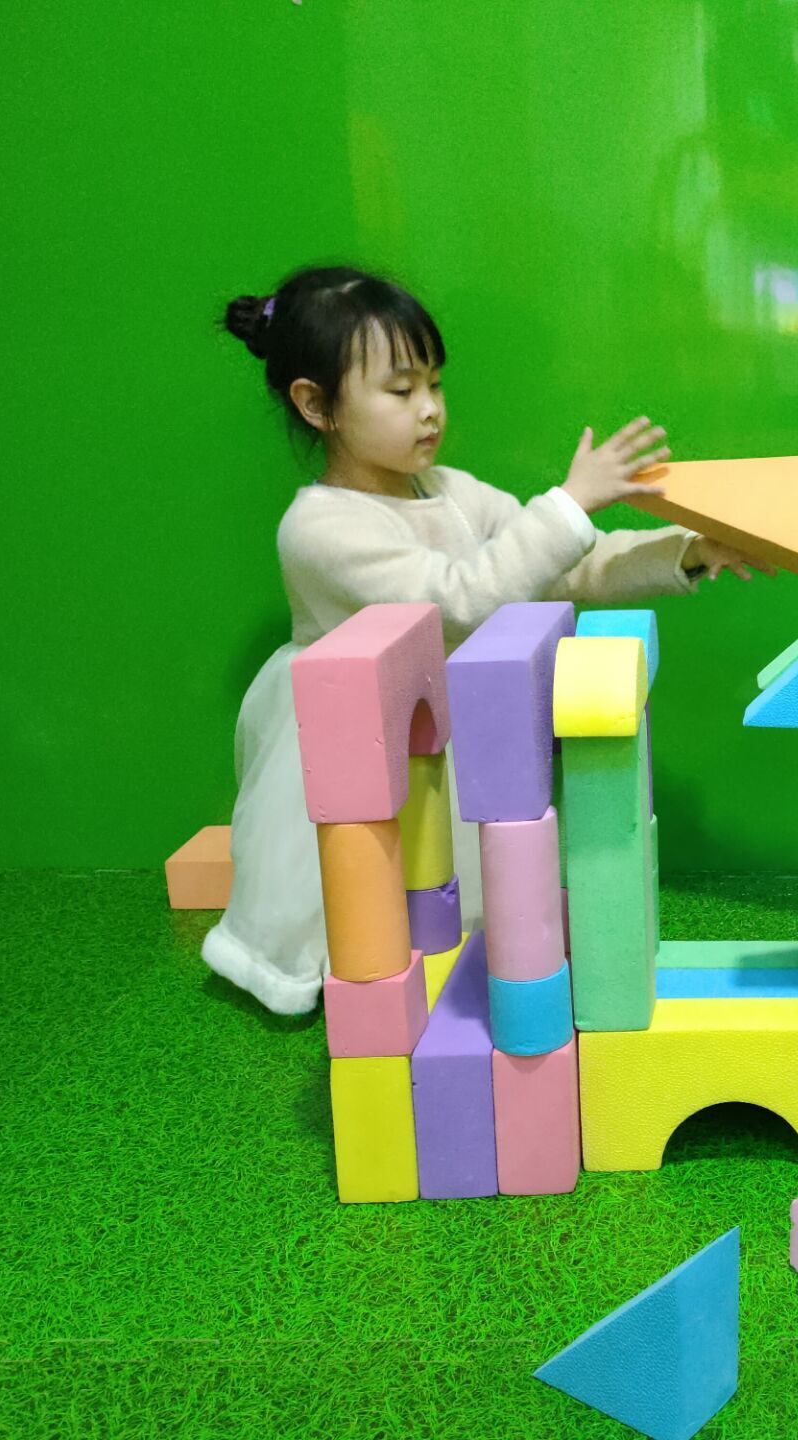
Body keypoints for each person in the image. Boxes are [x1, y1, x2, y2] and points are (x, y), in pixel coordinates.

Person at [203, 265, 763, 1015]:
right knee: (359, 892)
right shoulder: (318, 527)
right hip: (364, 742)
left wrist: (687, 550)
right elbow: (457, 602)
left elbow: (567, 564)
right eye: (400, 390)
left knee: (465, 891)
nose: (430, 409)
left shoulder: (451, 490)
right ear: (316, 405)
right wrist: (568, 504)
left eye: (434, 384)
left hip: (449, 725)